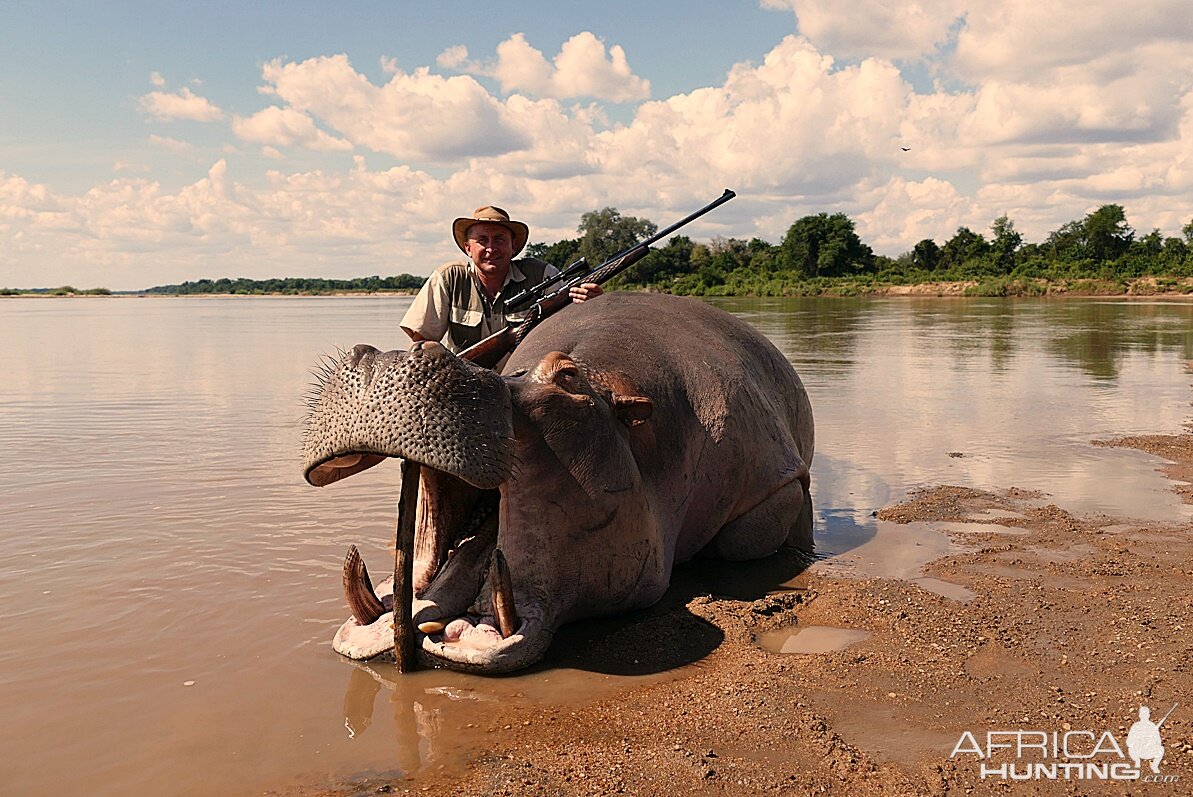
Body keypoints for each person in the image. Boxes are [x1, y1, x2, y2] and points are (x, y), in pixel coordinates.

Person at [400, 205, 602, 354]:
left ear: (513, 247)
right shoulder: (449, 278)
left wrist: (593, 304)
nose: (491, 248)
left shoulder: (542, 275)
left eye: (499, 239)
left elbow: (575, 328)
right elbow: (421, 342)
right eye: (482, 240)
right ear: (468, 248)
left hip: (526, 383)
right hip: (465, 386)